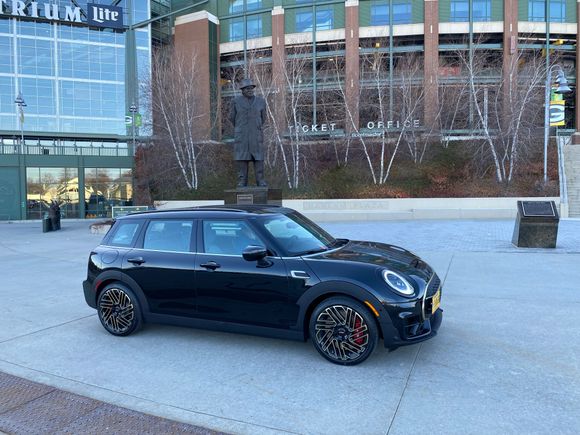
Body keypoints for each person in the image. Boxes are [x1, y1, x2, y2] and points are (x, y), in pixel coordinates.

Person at [229, 78, 268, 187]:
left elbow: (263, 118)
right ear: (242, 90)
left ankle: (260, 181)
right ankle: (242, 181)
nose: (250, 90)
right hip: (242, 136)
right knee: (242, 159)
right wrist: (241, 127)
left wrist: (255, 126)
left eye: (252, 88)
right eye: (247, 88)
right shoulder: (235, 101)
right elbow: (231, 117)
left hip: (256, 135)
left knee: (259, 159)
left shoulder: (261, 101)